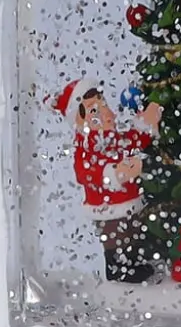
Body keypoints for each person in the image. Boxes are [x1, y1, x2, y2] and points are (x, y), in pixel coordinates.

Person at [54, 77, 162, 283]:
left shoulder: (112, 138)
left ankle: (133, 261)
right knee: (116, 237)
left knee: (132, 231)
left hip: (130, 200)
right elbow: (85, 172)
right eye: (94, 111)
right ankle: (118, 268)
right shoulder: (86, 147)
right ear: (80, 122)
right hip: (107, 206)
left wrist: (146, 125)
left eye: (103, 105)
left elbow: (132, 141)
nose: (105, 113)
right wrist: (114, 172)